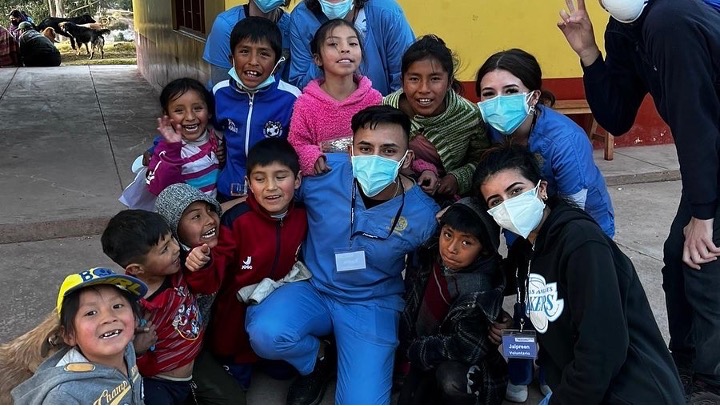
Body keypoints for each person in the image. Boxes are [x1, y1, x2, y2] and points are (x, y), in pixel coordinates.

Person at [557, 0, 720, 401]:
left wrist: (704, 213)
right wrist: (589, 53)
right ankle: (685, 366)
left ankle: (712, 384)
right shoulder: (624, 28)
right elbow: (616, 117)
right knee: (678, 255)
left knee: (704, 261)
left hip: (710, 143)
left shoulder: (672, 18)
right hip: (712, 151)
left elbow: (694, 118)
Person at [245, 105, 440, 404]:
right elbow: (274, 200)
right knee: (266, 332)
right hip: (313, 286)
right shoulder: (321, 176)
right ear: (351, 150)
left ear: (407, 159)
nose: (374, 159)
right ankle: (318, 358)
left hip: (371, 301)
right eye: (365, 148)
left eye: (388, 150)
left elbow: (429, 274)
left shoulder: (423, 216)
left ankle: (353, 352)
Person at [473, 143, 685, 404]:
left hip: (631, 393)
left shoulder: (581, 244)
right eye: (496, 202)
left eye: (516, 191)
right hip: (582, 387)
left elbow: (602, 350)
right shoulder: (528, 248)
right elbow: (506, 280)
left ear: (541, 189)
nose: (508, 205)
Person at [183, 138, 308, 390]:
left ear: (297, 179)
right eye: (260, 179)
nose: (271, 187)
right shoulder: (236, 222)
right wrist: (201, 264)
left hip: (275, 313)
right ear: (249, 184)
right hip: (233, 329)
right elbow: (210, 280)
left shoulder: (304, 216)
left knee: (283, 372)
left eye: (280, 176)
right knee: (236, 384)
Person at [101, 209, 243, 404]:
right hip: (159, 379)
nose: (176, 248)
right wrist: (138, 351)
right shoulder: (131, 305)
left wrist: (202, 264)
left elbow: (207, 285)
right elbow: (116, 352)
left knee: (233, 400)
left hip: (196, 358)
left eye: (172, 240)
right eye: (164, 249)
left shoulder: (177, 267)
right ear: (136, 269)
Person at [476, 48, 614, 238]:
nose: (499, 102)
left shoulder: (566, 141)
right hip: (520, 218)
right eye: (489, 94)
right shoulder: (488, 128)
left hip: (580, 226)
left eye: (511, 91)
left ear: (533, 97)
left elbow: (573, 208)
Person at [396, 198, 507, 405]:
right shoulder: (433, 255)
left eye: (467, 242)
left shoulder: (479, 289)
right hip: (427, 350)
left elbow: (465, 347)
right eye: (448, 235)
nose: (451, 249)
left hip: (458, 361)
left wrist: (417, 350)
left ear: (483, 250)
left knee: (451, 381)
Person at [12, 267, 147, 405]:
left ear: (135, 318)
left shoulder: (127, 349)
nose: (109, 318)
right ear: (70, 335)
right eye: (91, 313)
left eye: (117, 306)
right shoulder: (64, 395)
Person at [384, 35, 489, 201]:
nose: (424, 89)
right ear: (402, 81)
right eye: (414, 79)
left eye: (435, 79)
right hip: (393, 195)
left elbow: (482, 160)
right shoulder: (385, 109)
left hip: (447, 200)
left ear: (449, 82)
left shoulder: (469, 116)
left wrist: (456, 178)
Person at [212, 16, 300, 204]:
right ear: (231, 58)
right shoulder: (219, 92)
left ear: (277, 63)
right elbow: (210, 129)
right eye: (244, 51)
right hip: (229, 190)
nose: (253, 61)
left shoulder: (292, 98)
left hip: (271, 195)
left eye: (264, 54)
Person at [288, 18, 382, 176]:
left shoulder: (374, 100)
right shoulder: (305, 104)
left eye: (352, 44)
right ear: (317, 59)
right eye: (333, 44)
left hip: (368, 183)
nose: (345, 49)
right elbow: (297, 144)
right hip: (323, 183)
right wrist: (311, 157)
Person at [288, 0, 414, 96]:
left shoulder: (387, 12)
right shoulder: (301, 17)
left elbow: (406, 79)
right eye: (334, 44)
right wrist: (324, 53)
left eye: (352, 43)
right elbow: (301, 84)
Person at [146, 78, 221, 198]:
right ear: (167, 115)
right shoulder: (166, 150)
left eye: (197, 108)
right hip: (184, 215)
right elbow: (157, 188)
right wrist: (172, 151)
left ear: (210, 111)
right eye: (179, 111)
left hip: (211, 211)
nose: (190, 117)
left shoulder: (216, 137)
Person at [203, 0, 292, 87]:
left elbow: (290, 81)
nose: (253, 62)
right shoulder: (225, 25)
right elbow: (221, 83)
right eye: (245, 51)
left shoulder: (291, 27)